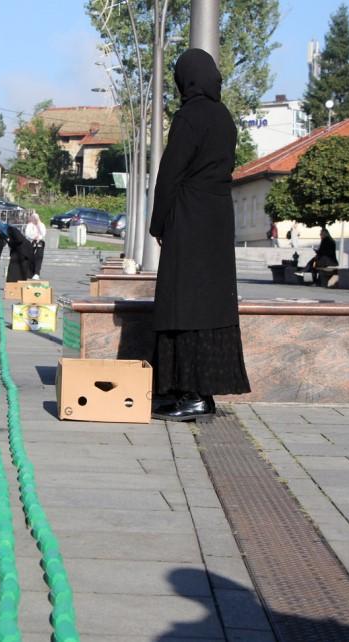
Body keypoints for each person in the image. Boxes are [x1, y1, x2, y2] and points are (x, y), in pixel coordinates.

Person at [148, 48, 250, 422]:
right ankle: (195, 392)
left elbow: (171, 172)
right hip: (217, 219)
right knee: (209, 303)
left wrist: (158, 224)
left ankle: (190, 395)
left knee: (183, 302)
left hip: (188, 217)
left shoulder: (189, 117)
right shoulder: (224, 118)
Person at [0, 218, 35, 282]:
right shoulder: (2, 234)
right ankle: (11, 284)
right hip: (16, 250)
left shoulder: (12, 229)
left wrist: (10, 241)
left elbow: (20, 240)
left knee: (22, 268)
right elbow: (0, 246)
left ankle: (22, 283)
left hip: (25, 250)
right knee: (12, 267)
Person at [24, 212, 47, 278]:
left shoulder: (41, 225)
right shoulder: (29, 225)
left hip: (40, 243)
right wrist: (33, 237)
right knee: (31, 258)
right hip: (31, 243)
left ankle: (37, 273)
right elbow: (27, 234)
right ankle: (30, 273)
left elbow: (43, 233)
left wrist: (39, 237)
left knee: (39, 257)